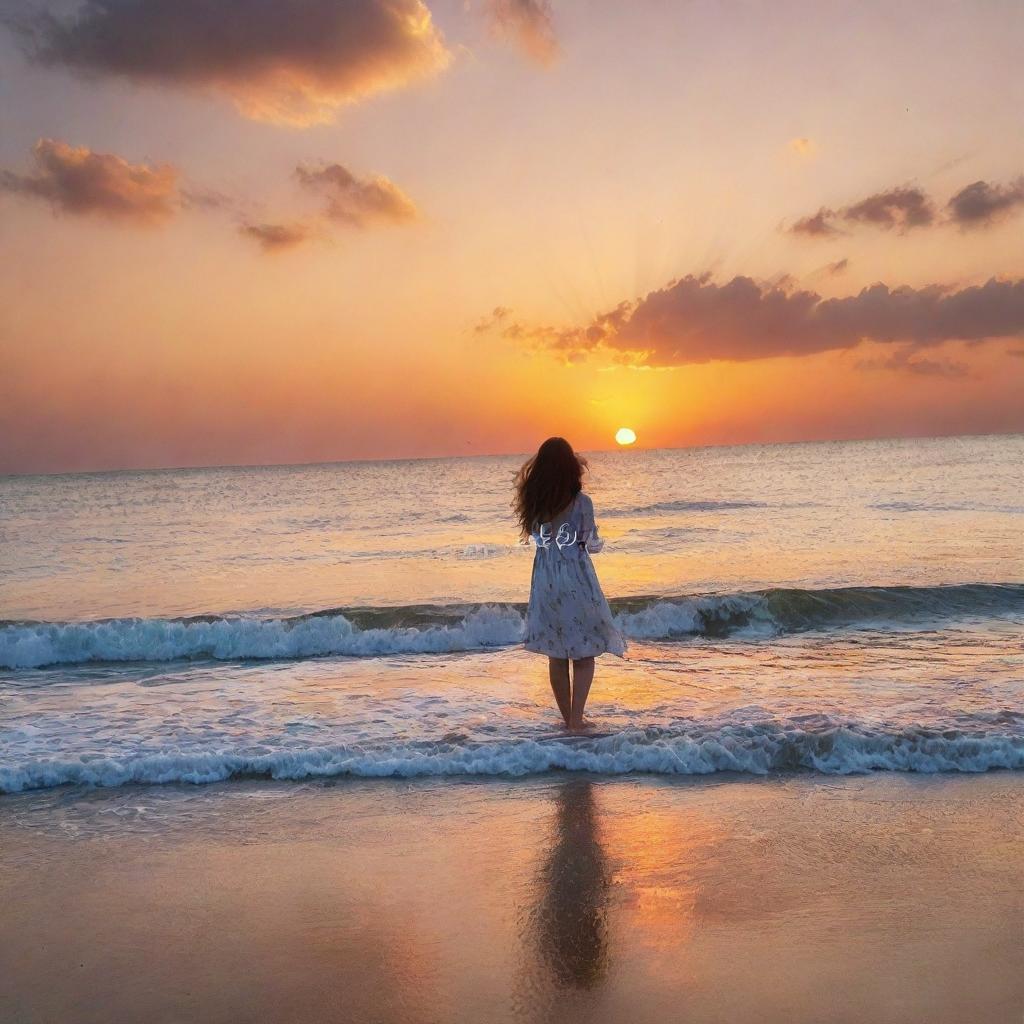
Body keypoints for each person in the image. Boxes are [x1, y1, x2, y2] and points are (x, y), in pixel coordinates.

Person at [513, 437, 626, 731]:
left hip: (546, 578)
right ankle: (577, 719)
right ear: (570, 467)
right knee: (584, 650)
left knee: (557, 652)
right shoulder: (581, 503)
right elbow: (591, 543)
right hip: (576, 575)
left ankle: (568, 721)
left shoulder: (536, 504)